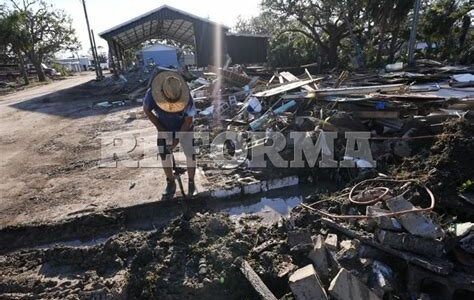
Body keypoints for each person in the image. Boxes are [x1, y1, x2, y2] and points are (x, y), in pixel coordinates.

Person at [143, 71, 197, 198]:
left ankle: (191, 182)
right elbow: (146, 110)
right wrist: (160, 128)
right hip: (164, 126)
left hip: (184, 128)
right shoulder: (152, 94)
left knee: (191, 154)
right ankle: (170, 182)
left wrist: (176, 140)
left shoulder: (188, 97)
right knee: (164, 155)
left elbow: (187, 122)